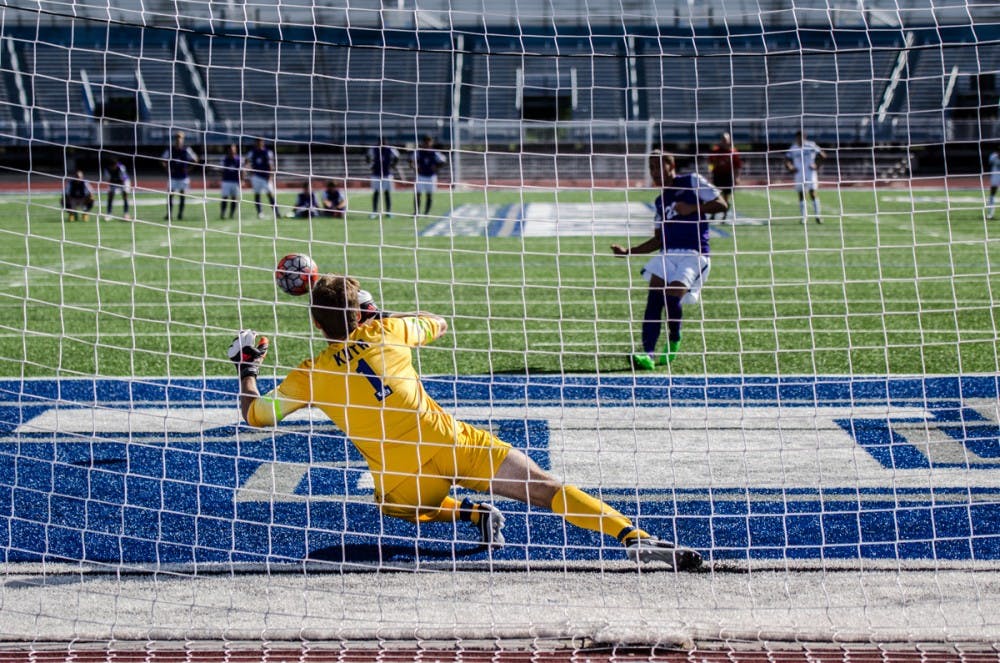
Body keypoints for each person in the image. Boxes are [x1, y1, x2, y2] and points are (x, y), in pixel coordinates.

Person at [226, 276, 702, 570]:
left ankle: (469, 513)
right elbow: (438, 322)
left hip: (403, 474)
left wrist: (247, 365)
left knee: (393, 508)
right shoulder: (388, 330)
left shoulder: (310, 374)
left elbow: (255, 415)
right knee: (544, 486)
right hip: (453, 442)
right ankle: (634, 538)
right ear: (362, 312)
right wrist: (379, 313)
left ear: (316, 326)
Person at [610, 150, 727, 370]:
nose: (654, 171)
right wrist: (628, 252)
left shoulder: (691, 181)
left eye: (657, 166)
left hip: (694, 253)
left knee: (672, 299)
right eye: (651, 167)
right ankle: (648, 354)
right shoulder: (660, 201)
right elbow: (658, 240)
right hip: (668, 254)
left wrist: (693, 208)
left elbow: (722, 204)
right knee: (654, 299)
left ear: (670, 165)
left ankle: (674, 337)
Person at [784, 130, 826, 225]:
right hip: (799, 174)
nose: (800, 139)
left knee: (813, 194)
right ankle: (804, 217)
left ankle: (818, 216)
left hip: (810, 173)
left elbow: (823, 155)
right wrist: (790, 168)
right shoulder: (793, 148)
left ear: (805, 137)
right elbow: (786, 159)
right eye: (798, 137)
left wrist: (817, 165)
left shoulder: (811, 145)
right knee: (801, 195)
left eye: (802, 137)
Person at [161, 131, 200, 221]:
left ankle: (180, 214)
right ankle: (169, 214)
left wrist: (189, 169)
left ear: (183, 139)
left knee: (182, 196)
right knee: (170, 195)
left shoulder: (186, 150)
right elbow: (163, 159)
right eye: (177, 137)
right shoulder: (170, 149)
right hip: (173, 176)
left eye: (180, 137)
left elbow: (195, 159)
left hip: (183, 177)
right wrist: (167, 169)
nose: (179, 139)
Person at [707, 132, 741, 221]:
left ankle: (724, 215)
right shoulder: (715, 150)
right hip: (717, 175)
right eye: (723, 139)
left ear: (729, 140)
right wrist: (710, 171)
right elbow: (710, 163)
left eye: (726, 140)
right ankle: (713, 214)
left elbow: (737, 166)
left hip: (727, 176)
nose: (725, 141)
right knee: (715, 195)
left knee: (726, 196)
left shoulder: (733, 151)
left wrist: (737, 177)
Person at [411, 135, 447, 216]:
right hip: (420, 176)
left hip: (431, 176)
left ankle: (427, 212)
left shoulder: (435, 152)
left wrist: (437, 167)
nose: (427, 144)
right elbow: (411, 161)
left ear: (431, 143)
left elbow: (444, 161)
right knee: (417, 194)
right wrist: (415, 168)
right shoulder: (418, 152)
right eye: (426, 142)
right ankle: (416, 211)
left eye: (429, 142)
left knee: (429, 195)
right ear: (423, 143)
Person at [245, 138, 279, 219]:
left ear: (263, 143)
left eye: (261, 142)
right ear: (255, 143)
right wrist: (250, 171)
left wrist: (270, 176)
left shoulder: (268, 152)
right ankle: (259, 212)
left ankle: (276, 212)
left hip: (266, 177)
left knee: (270, 194)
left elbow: (271, 165)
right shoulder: (252, 152)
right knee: (257, 194)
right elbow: (246, 161)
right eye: (258, 142)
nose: (259, 143)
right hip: (256, 176)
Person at [367, 137, 400, 219]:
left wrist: (393, 165)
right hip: (376, 174)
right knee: (376, 193)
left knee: (387, 193)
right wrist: (370, 166)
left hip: (387, 174)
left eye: (384, 141)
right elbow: (367, 157)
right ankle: (374, 211)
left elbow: (397, 156)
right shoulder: (374, 149)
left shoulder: (390, 149)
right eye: (381, 141)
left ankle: (388, 212)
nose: (382, 142)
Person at [218, 143, 242, 220]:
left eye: (233, 149)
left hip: (235, 182)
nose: (232, 150)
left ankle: (231, 214)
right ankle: (222, 213)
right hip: (226, 181)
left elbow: (242, 171)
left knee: (234, 199)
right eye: (231, 149)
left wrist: (242, 180)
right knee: (224, 198)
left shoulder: (239, 159)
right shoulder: (224, 159)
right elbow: (221, 170)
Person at [987, 147, 1000, 220]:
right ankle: (990, 214)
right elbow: (991, 161)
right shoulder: (993, 156)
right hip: (996, 176)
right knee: (992, 195)